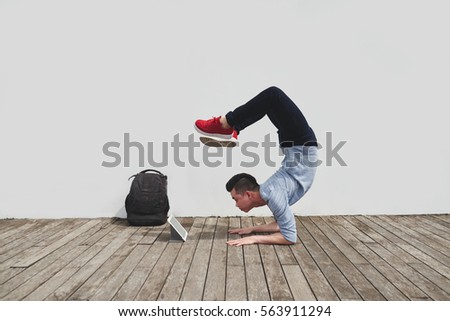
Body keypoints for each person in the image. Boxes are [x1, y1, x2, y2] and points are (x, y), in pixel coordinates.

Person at [195, 86, 318, 246]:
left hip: (299, 144)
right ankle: (231, 128)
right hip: (299, 144)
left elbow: (289, 236)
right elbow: (284, 226)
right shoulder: (272, 195)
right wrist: (253, 229)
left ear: (248, 194)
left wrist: (254, 238)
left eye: (235, 199)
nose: (235, 204)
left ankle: (226, 124)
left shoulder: (272, 194)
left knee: (272, 96)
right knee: (271, 99)